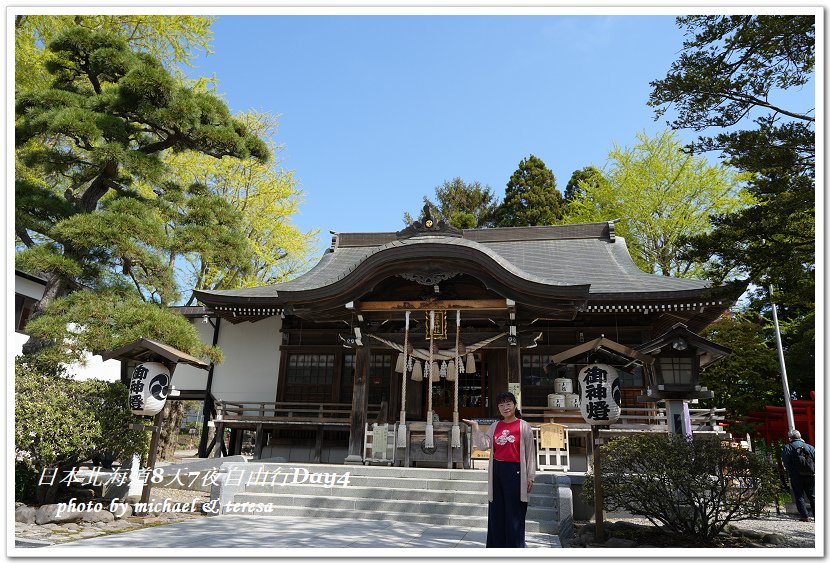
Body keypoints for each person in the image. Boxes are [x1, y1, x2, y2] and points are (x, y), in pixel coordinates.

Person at [463, 391, 537, 547]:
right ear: (498, 408)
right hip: (497, 471)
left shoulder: (523, 426)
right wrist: (476, 427)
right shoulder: (495, 425)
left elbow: (530, 453)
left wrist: (530, 476)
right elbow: (484, 445)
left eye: (508, 404)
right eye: (501, 405)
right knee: (496, 512)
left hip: (516, 472)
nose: (505, 407)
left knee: (514, 513)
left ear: (514, 405)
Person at [781, 429, 815, 522]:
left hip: (796, 475)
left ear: (789, 438)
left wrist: (791, 470)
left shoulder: (787, 447)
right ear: (800, 437)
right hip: (810, 474)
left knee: (799, 495)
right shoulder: (809, 447)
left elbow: (786, 462)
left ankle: (805, 516)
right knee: (812, 495)